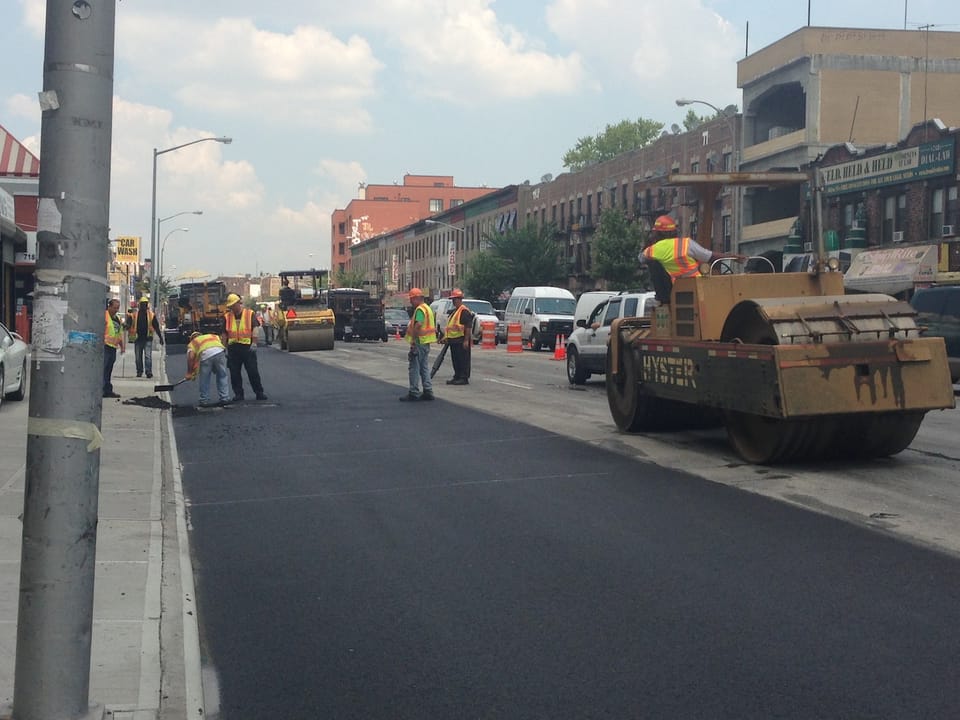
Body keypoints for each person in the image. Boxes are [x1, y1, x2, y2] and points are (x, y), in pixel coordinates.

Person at [639, 215, 746, 302]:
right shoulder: (686, 244)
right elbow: (710, 256)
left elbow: (641, 259)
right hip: (697, 289)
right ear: (674, 231)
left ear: (656, 233)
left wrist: (649, 242)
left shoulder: (652, 250)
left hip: (672, 293)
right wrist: (733, 257)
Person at [222, 293, 268, 401]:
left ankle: (259, 392)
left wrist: (254, 342)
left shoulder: (249, 314)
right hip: (233, 348)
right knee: (234, 373)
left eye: (234, 305)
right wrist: (224, 348)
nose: (232, 308)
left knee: (252, 371)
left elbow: (255, 328)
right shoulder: (227, 316)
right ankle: (238, 394)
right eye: (231, 306)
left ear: (239, 303)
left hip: (247, 347)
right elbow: (224, 333)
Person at [400, 287, 436, 402]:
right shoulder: (427, 308)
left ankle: (414, 392)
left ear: (416, 298)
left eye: (411, 299)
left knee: (414, 367)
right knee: (424, 367)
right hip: (425, 342)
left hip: (419, 342)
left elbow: (418, 324)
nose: (410, 302)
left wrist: (414, 341)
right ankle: (428, 390)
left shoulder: (420, 310)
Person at [185, 331, 231, 407]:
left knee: (205, 378)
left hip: (206, 356)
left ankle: (204, 400)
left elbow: (191, 357)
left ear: (191, 338)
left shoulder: (193, 342)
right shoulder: (212, 336)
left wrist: (189, 373)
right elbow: (222, 341)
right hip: (219, 352)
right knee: (222, 376)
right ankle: (225, 398)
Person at [443, 288, 474, 386]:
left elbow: (468, 327)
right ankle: (457, 376)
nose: (453, 301)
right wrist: (445, 338)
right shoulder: (455, 311)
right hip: (454, 341)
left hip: (461, 340)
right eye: (452, 299)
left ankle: (463, 377)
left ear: (459, 299)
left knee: (462, 360)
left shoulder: (464, 311)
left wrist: (466, 340)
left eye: (455, 299)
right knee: (456, 360)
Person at [127, 295, 164, 378]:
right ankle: (139, 371)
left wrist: (160, 338)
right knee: (138, 357)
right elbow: (129, 324)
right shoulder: (134, 315)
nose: (144, 305)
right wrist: (127, 326)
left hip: (148, 339)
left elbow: (156, 327)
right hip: (137, 339)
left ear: (147, 305)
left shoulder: (151, 315)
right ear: (140, 305)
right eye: (143, 304)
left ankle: (148, 371)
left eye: (145, 304)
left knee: (148, 356)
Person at [103, 298, 126, 398]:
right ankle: (103, 389)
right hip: (105, 346)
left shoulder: (117, 319)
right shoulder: (104, 316)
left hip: (113, 348)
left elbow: (119, 334)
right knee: (103, 369)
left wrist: (122, 347)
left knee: (109, 369)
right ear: (109, 306)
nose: (116, 310)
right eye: (115, 308)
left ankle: (108, 390)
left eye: (118, 308)